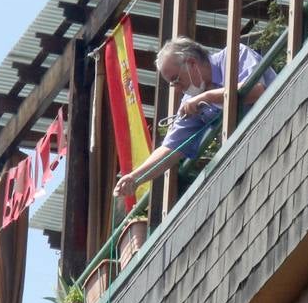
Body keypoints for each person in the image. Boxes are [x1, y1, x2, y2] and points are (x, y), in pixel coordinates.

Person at [113, 37, 276, 197]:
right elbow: (171, 148)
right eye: (172, 84)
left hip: (279, 120)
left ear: (191, 63)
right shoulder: (191, 101)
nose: (177, 88)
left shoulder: (235, 54)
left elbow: (255, 89)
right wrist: (135, 177)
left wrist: (208, 97)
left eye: (176, 79)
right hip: (256, 152)